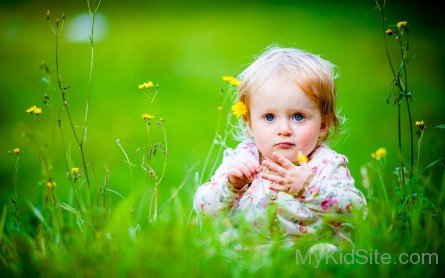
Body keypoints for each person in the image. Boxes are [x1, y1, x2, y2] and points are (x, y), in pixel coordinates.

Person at [193, 46, 367, 248]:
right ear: (249, 123)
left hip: (306, 249)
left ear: (323, 125)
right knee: (215, 248)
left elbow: (357, 213)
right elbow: (203, 207)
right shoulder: (242, 160)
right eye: (269, 117)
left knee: (324, 252)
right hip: (248, 252)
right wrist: (230, 186)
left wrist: (309, 187)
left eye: (298, 116)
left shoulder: (325, 165)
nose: (284, 129)